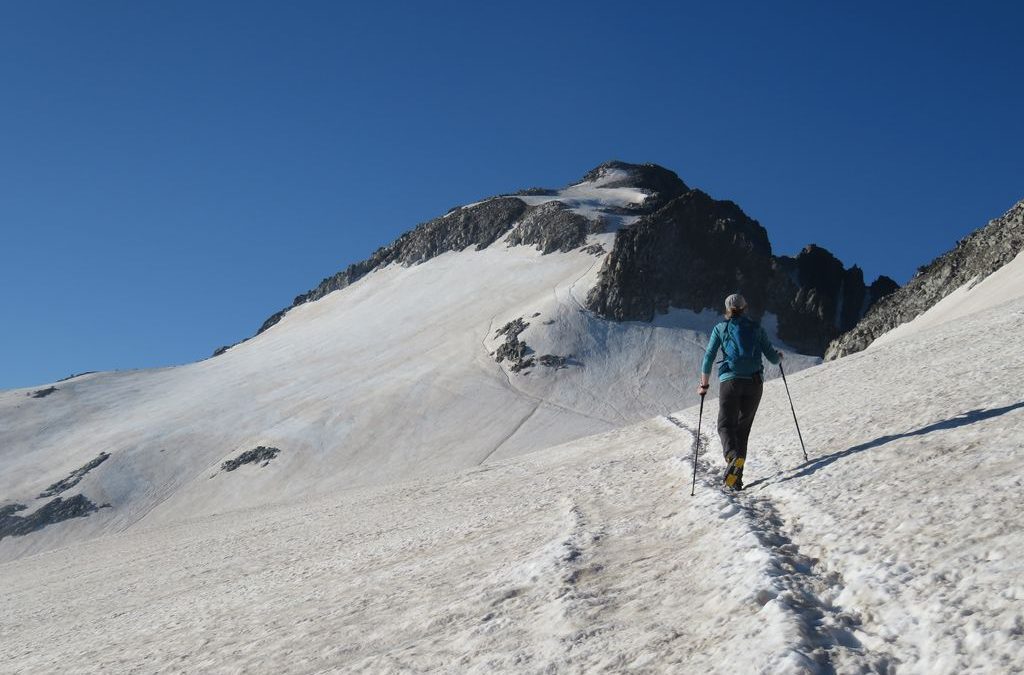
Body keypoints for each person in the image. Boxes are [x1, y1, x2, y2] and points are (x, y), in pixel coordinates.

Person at [698, 293, 782, 491]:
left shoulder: (721, 328)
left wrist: (704, 385)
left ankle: (731, 457)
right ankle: (736, 479)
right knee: (742, 430)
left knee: (725, 426)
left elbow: (709, 357)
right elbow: (772, 358)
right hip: (754, 383)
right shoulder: (756, 328)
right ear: (745, 308)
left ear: (727, 309)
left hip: (731, 381)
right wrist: (779, 357)